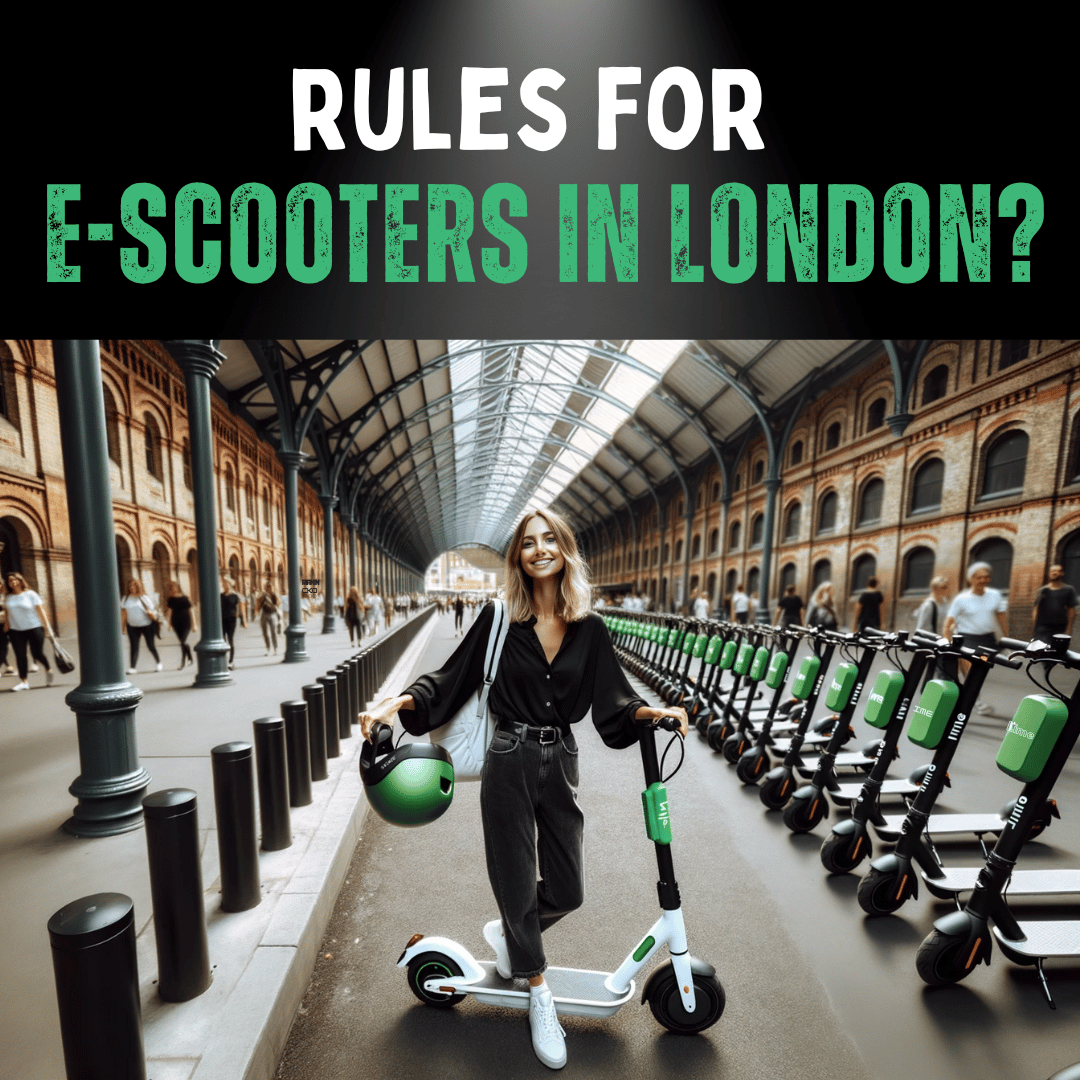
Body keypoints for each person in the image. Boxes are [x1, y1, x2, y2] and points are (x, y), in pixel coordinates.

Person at [359, 508, 688, 1070]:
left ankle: (514, 931)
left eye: (549, 540)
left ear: (565, 550)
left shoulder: (590, 628)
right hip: (507, 757)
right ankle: (538, 993)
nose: (539, 549)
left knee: (569, 886)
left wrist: (651, 712)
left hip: (561, 756)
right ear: (518, 558)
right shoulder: (497, 620)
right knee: (514, 871)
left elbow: (613, 699)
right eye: (528, 543)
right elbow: (450, 678)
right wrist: (396, 702)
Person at [942, 562, 1008, 708]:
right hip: (967, 639)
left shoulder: (995, 595)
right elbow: (949, 622)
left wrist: (1006, 639)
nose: (983, 580)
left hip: (987, 640)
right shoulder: (961, 599)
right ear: (970, 579)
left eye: (986, 577)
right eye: (979, 577)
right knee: (972, 670)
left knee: (981, 668)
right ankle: (974, 701)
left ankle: (960, 685)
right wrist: (946, 642)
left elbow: (1001, 617)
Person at [4, 572, 56, 690]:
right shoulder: (9, 597)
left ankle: (48, 669)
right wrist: (7, 625)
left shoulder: (31, 594)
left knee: (37, 654)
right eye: (10, 581)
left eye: (14, 580)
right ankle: (24, 682)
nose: (13, 583)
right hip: (16, 630)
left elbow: (41, 611)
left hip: (34, 628)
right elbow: (7, 612)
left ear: (20, 580)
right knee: (20, 655)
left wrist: (47, 628)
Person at [914, 575, 951, 687]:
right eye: (944, 587)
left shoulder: (945, 602)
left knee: (945, 671)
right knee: (941, 672)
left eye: (947, 586)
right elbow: (921, 628)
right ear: (935, 588)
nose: (947, 589)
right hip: (935, 643)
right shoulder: (929, 605)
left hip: (946, 641)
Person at [120, 577, 162, 674]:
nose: (131, 587)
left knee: (150, 645)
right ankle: (132, 667)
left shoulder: (143, 597)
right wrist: (123, 627)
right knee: (134, 646)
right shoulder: (125, 598)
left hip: (147, 625)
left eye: (134, 585)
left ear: (138, 586)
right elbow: (124, 614)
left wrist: (150, 613)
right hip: (132, 626)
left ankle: (158, 663)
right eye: (130, 586)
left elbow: (152, 610)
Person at [1032, 564, 1077, 644]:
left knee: (1056, 652)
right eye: (1052, 571)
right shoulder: (1042, 590)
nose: (1054, 573)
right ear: (1049, 573)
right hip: (1042, 628)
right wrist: (1035, 628)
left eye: (1057, 571)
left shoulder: (1069, 590)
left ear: (1062, 573)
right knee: (1041, 650)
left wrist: (1068, 629)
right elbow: (1036, 609)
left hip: (1059, 628)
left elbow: (1071, 610)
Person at [165, 581, 196, 669]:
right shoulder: (170, 599)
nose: (172, 589)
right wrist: (169, 625)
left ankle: (183, 662)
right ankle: (189, 657)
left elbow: (191, 611)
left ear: (178, 588)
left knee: (182, 642)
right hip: (176, 623)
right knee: (183, 642)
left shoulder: (185, 598)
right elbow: (170, 612)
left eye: (174, 587)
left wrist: (194, 624)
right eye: (170, 588)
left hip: (186, 622)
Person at [220, 579, 245, 669]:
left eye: (226, 583)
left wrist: (240, 617)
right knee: (222, 641)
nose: (224, 585)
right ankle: (223, 661)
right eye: (223, 583)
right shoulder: (220, 596)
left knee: (230, 640)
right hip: (222, 620)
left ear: (230, 584)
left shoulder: (235, 596)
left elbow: (238, 607)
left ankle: (231, 661)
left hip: (231, 621)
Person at [256, 580, 282, 655]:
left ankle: (275, 649)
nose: (268, 588)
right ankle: (268, 648)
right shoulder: (263, 595)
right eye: (267, 587)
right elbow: (258, 605)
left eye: (270, 587)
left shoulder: (274, 595)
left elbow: (278, 604)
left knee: (273, 632)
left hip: (272, 614)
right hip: (264, 614)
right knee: (265, 633)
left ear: (272, 588)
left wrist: (275, 601)